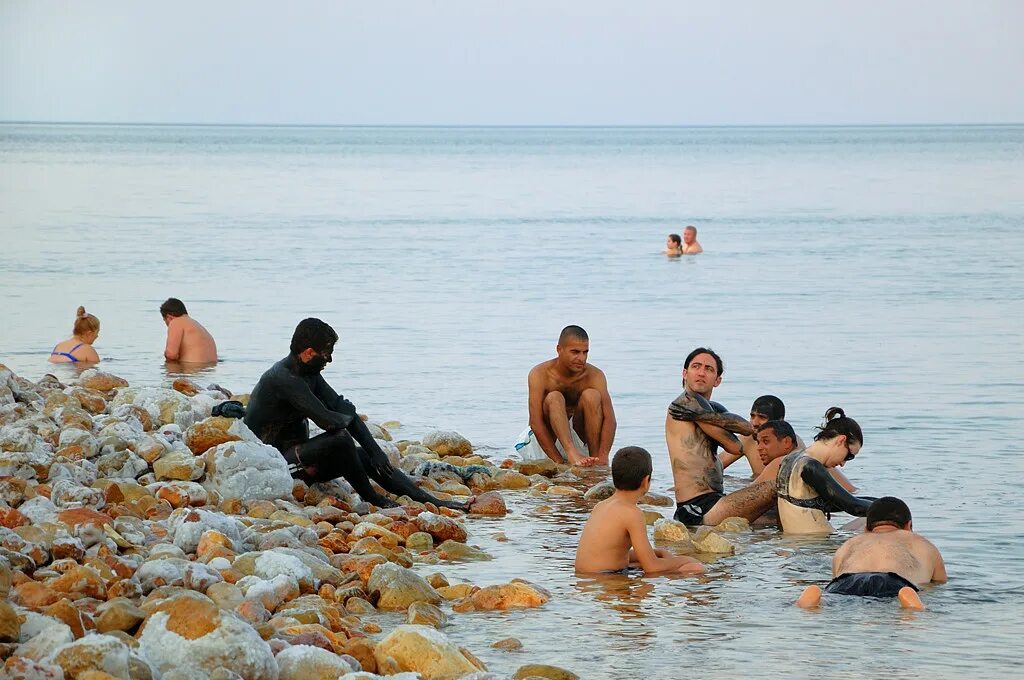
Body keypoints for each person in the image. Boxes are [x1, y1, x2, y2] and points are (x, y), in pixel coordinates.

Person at [244, 318, 469, 511]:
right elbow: (328, 421)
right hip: (275, 465)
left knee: (364, 455)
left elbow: (339, 408)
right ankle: (374, 498)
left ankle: (432, 501)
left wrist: (376, 452)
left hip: (300, 460)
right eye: (326, 354)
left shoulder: (309, 374)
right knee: (341, 439)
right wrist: (346, 415)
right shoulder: (284, 379)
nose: (329, 360)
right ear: (309, 353)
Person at [665, 347, 777, 526]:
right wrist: (705, 417)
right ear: (685, 373)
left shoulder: (708, 409)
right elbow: (738, 436)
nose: (701, 373)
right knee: (774, 488)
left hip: (715, 501)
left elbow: (736, 445)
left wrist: (700, 416)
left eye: (709, 369)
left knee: (777, 514)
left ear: (717, 380)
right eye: (696, 367)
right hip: (696, 507)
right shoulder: (684, 404)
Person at [796, 497, 947, 610]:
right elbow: (939, 583)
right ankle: (911, 603)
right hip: (896, 583)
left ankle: (813, 597)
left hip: (845, 583)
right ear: (909, 526)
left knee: (832, 600)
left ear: (866, 528)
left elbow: (836, 576)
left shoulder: (849, 544)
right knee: (914, 601)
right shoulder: (922, 543)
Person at [575, 446, 705, 576]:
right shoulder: (632, 513)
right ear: (645, 481)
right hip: (607, 578)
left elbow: (610, 551)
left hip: (588, 576)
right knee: (695, 568)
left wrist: (657, 553)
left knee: (645, 562)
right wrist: (686, 559)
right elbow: (652, 567)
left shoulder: (601, 505)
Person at [516, 325, 616, 466]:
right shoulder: (539, 374)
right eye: (575, 352)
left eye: (585, 352)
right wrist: (558, 462)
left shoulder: (595, 375)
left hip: (579, 439)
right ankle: (570, 454)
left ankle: (595, 461)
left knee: (592, 396)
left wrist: (603, 456)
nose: (581, 358)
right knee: (554, 397)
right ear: (559, 350)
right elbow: (535, 422)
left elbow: (610, 419)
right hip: (546, 442)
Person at [767, 407, 874, 534]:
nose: (843, 464)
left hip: (794, 544)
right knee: (882, 519)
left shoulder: (789, 460)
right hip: (817, 546)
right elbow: (853, 506)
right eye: (849, 456)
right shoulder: (810, 466)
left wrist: (878, 501)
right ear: (841, 440)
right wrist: (894, 508)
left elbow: (832, 502)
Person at [720, 395, 793, 474]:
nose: (754, 423)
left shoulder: (791, 445)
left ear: (780, 421)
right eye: (752, 416)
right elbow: (715, 466)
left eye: (762, 417)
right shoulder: (748, 439)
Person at [160, 298, 218, 363]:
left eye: (164, 320)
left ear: (168, 317)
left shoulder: (176, 322)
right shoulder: (196, 325)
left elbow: (171, 354)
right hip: (209, 369)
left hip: (191, 369)